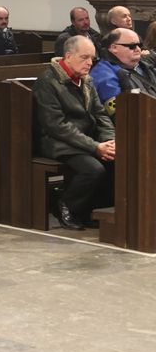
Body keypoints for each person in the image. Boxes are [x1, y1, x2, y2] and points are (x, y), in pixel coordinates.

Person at [33, 35, 116, 230]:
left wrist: (110, 140)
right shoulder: (48, 82)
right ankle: (66, 206)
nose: (90, 63)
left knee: (116, 160)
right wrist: (95, 147)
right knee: (93, 169)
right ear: (68, 56)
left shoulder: (86, 80)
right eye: (84, 57)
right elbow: (56, 125)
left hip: (84, 139)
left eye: (92, 58)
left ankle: (93, 210)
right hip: (57, 142)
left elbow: (101, 114)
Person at [90, 28, 156, 117]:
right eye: (132, 46)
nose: (138, 49)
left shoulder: (145, 66)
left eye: (139, 45)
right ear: (114, 48)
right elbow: (120, 113)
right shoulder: (103, 74)